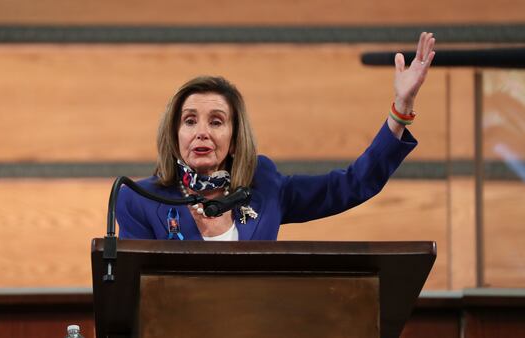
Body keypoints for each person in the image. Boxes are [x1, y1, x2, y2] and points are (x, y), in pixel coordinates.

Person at [117, 32, 436, 240]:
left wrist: (400, 109)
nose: (202, 132)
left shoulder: (264, 185)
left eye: (216, 122)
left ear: (235, 137)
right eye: (189, 121)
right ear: (173, 136)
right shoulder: (139, 200)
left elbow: (352, 184)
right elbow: (136, 294)